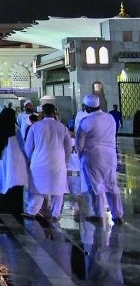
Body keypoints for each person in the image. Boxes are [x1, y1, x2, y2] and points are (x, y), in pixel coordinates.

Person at [76, 94, 125, 224]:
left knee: (95, 186)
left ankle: (99, 214)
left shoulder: (86, 121)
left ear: (87, 107)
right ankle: (118, 215)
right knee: (111, 184)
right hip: (110, 156)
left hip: (93, 156)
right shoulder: (109, 118)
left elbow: (79, 144)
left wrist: (81, 157)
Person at [24, 103, 72, 222]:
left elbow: (28, 147)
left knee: (37, 188)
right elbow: (68, 147)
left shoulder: (35, 127)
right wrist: (64, 160)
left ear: (42, 112)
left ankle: (32, 211)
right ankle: (55, 214)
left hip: (39, 163)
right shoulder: (62, 127)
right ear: (54, 112)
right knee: (58, 189)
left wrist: (28, 160)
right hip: (57, 162)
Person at [0, 107, 29, 217]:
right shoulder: (14, 129)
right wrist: (27, 160)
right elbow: (23, 146)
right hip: (14, 163)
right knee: (12, 183)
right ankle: (13, 208)